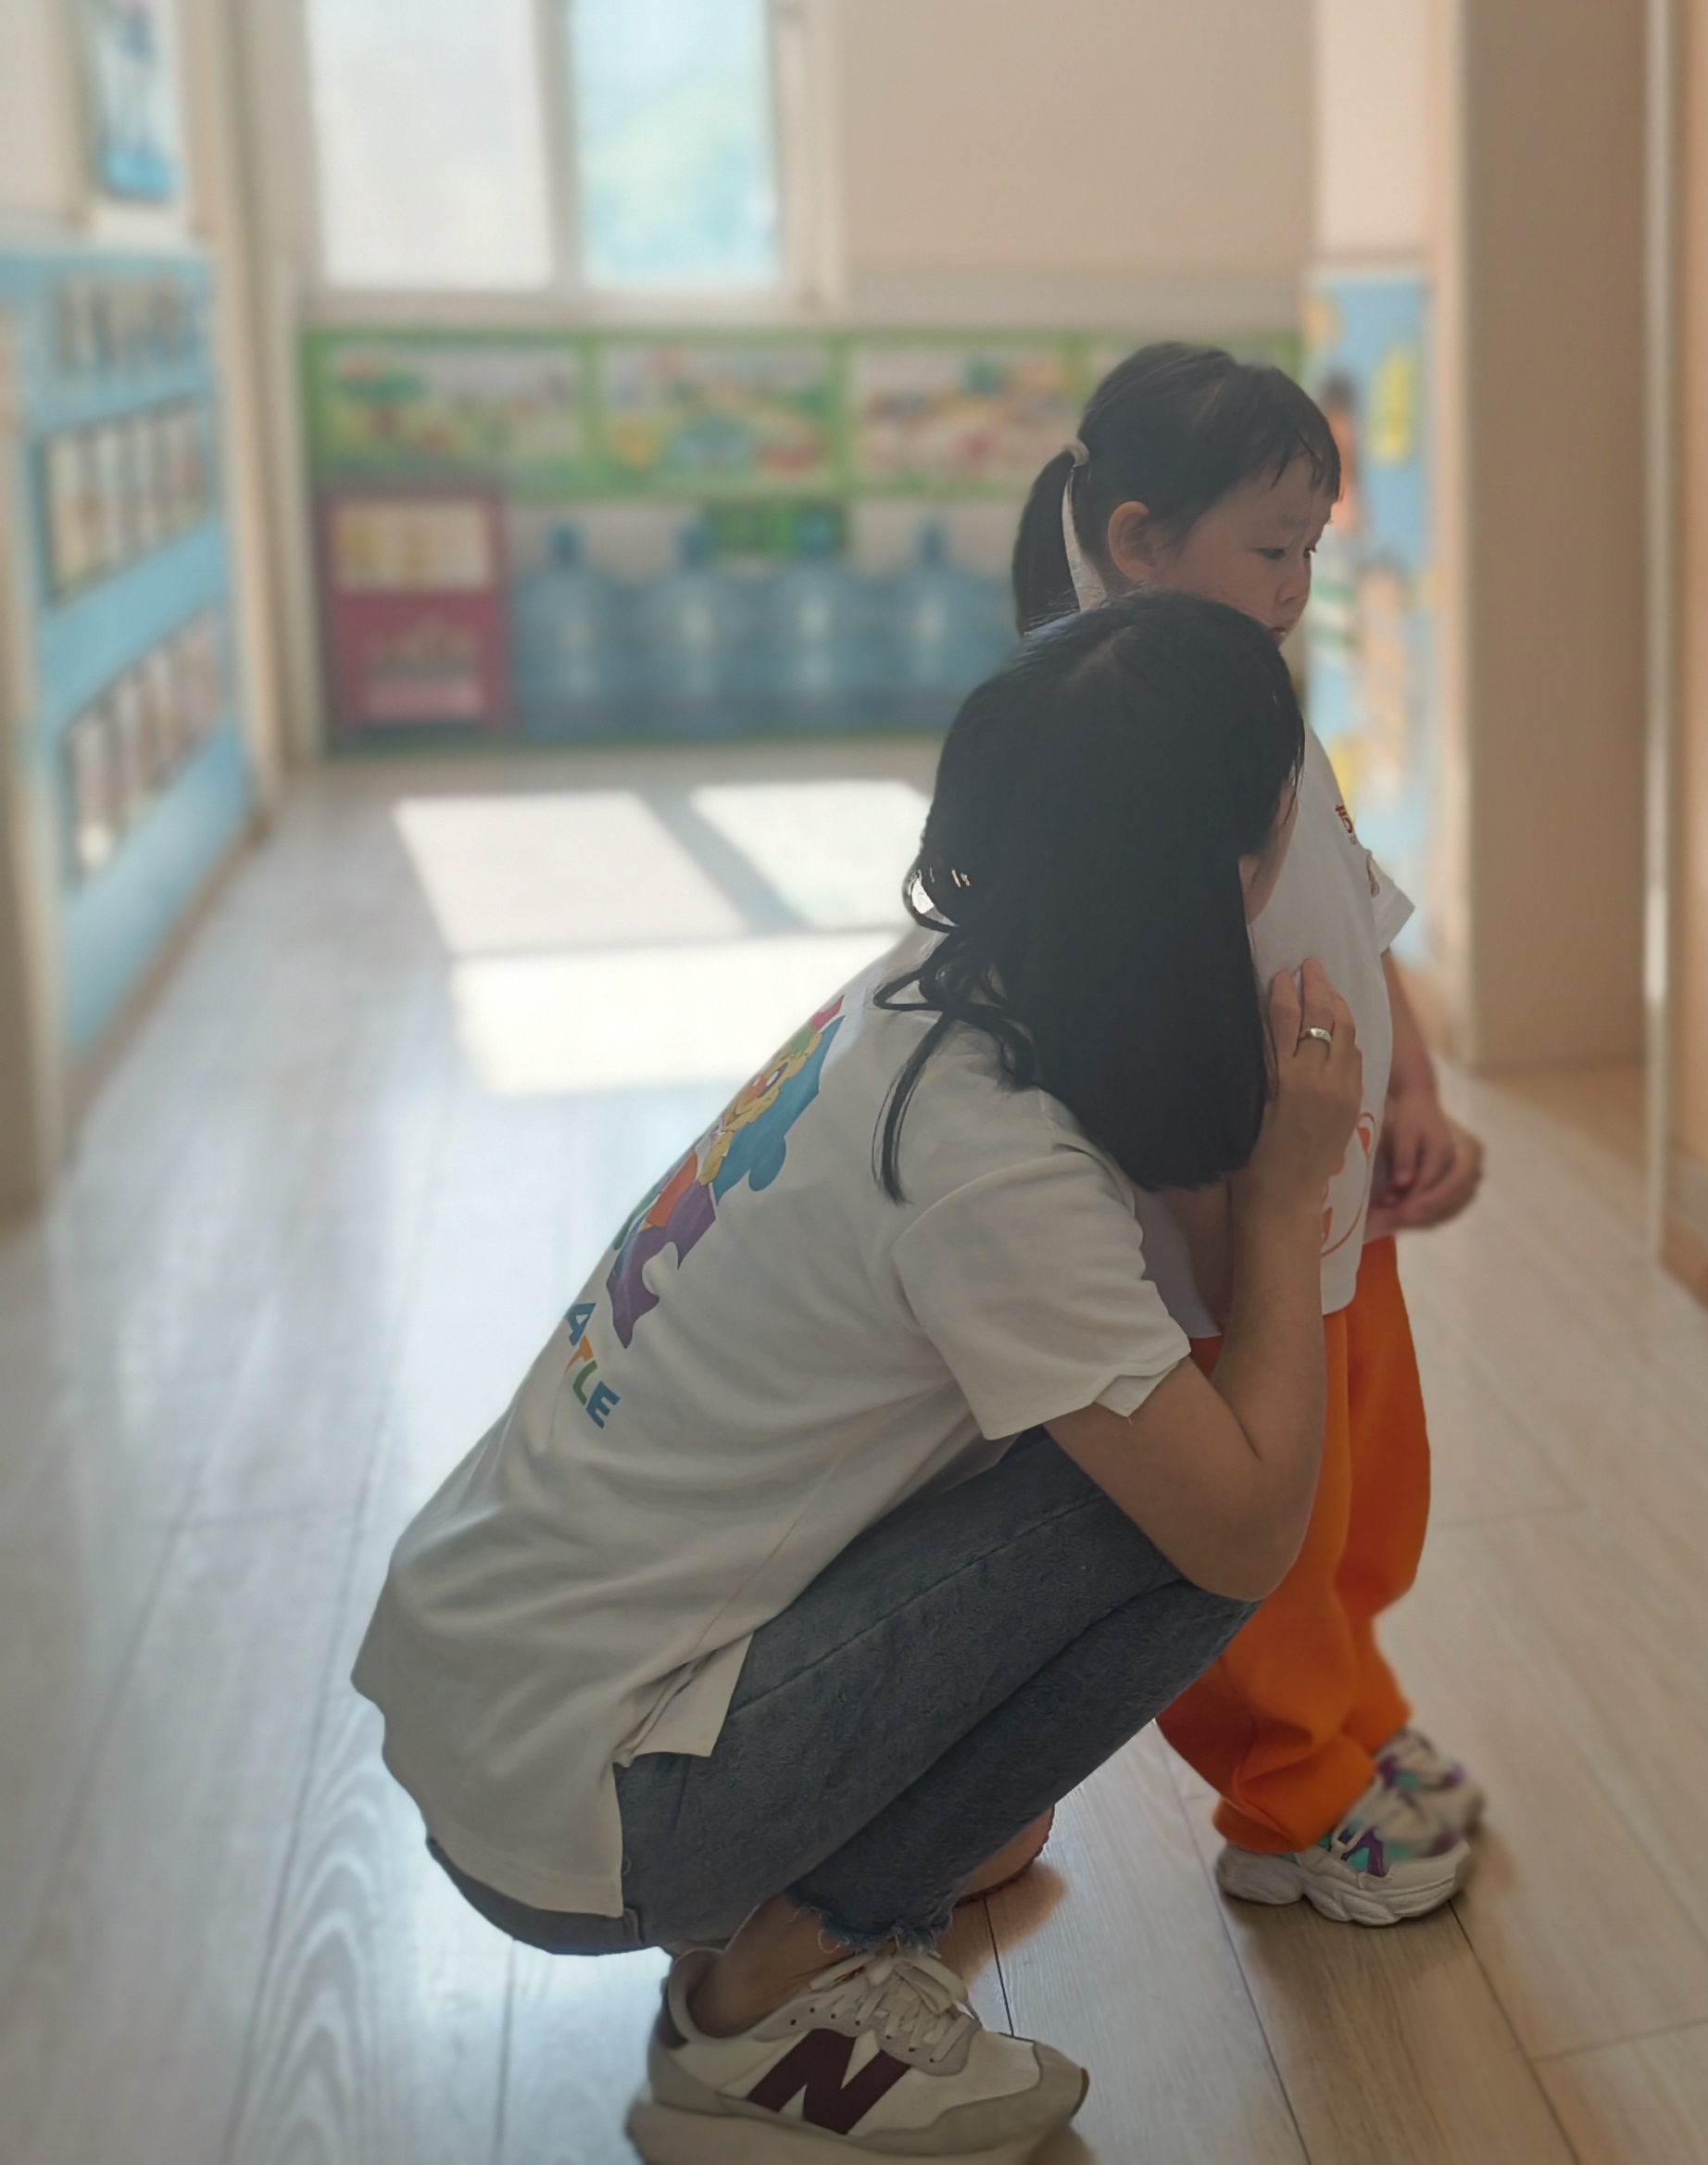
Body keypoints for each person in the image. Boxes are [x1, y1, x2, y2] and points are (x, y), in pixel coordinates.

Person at [354, 594, 1363, 2161]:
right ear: (1247, 856)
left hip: (503, 1696)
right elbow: (1243, 1529)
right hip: (587, 1807)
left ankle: (807, 1875)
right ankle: (783, 1986)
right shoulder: (989, 1161)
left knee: (1148, 1453)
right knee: (1198, 1517)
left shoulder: (949, 980)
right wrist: (1290, 1201)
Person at [1011, 343, 1489, 1926]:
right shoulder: (1113, 736)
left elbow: (1353, 902)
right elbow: (1137, 1026)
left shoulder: (1249, 690)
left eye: (1311, 551)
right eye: (1273, 549)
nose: (1298, 587)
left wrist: (1413, 1089)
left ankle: (1352, 1713)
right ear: (1140, 539)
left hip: (1329, 1212)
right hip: (1229, 1249)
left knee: (1364, 1501)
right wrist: (1241, 1238)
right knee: (1266, 1544)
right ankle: (1291, 1797)